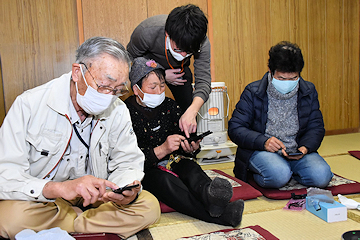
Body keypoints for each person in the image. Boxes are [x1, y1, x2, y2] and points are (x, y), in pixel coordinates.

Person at [0, 37, 160, 239]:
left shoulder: (117, 109)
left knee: (150, 207)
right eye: (104, 85)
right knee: (8, 218)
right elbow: (5, 174)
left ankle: (68, 222)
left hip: (98, 198)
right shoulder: (29, 105)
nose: (109, 96)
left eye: (118, 90)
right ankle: (86, 222)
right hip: (46, 200)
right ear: (78, 72)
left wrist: (124, 188)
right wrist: (58, 188)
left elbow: (128, 160)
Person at [125, 57, 244, 227]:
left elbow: (183, 138)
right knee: (167, 183)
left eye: (162, 86)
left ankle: (213, 198)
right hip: (145, 169)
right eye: (152, 87)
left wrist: (191, 147)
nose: (159, 91)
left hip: (174, 160)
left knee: (191, 169)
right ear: (136, 90)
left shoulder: (169, 106)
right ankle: (222, 216)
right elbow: (127, 160)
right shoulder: (125, 113)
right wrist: (162, 149)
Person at [228, 41, 333, 189]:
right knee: (278, 176)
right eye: (282, 79)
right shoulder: (253, 91)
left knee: (322, 177)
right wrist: (263, 142)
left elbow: (316, 126)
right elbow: (235, 128)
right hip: (261, 150)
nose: (287, 83)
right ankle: (267, 171)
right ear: (270, 71)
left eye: (293, 78)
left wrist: (305, 147)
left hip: (296, 152)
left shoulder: (308, 91)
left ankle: (291, 170)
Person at [127, 4, 211, 138]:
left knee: (188, 109)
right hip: (148, 71)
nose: (183, 55)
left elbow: (204, 81)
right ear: (167, 34)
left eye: (188, 52)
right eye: (178, 49)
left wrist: (192, 111)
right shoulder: (146, 32)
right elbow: (129, 62)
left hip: (180, 72)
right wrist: (162, 76)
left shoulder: (201, 42)